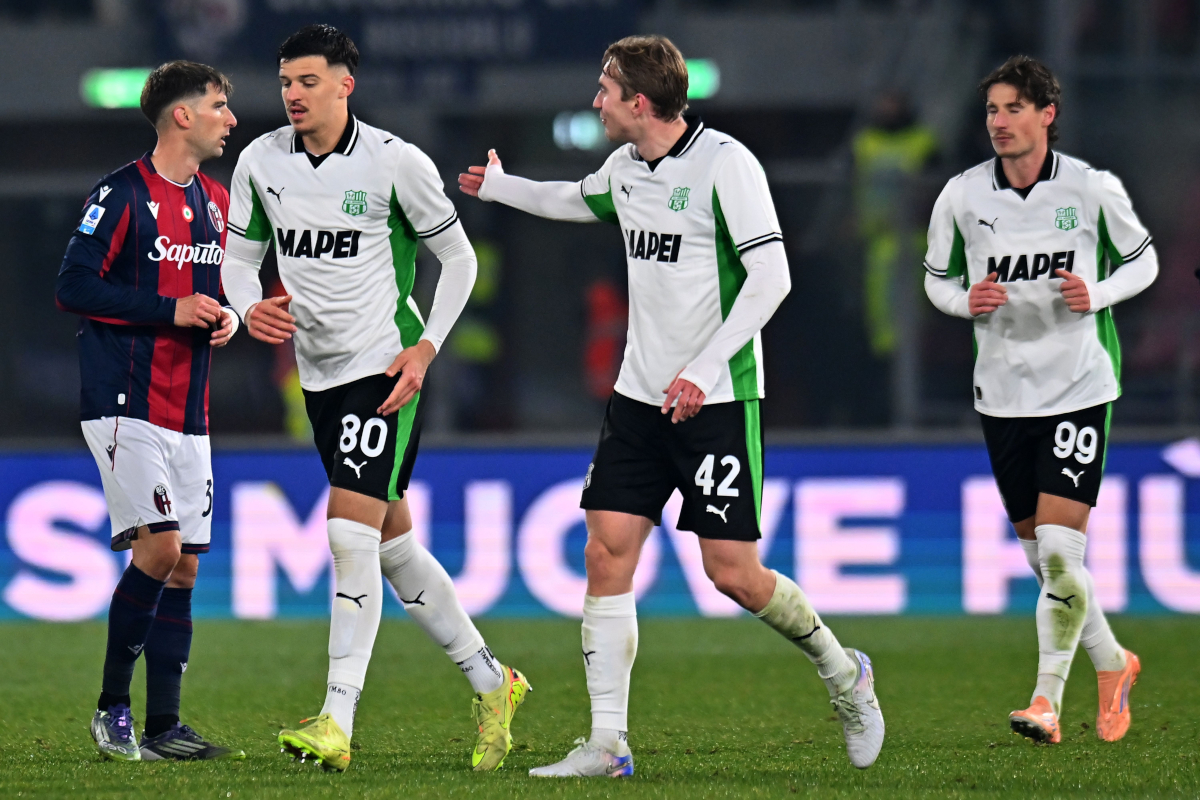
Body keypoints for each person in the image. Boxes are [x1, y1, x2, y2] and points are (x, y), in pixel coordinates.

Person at [459, 34, 885, 776]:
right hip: (638, 397)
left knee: (734, 574)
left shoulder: (727, 165)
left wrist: (705, 367)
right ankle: (607, 744)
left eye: (606, 89)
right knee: (604, 549)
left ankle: (843, 671)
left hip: (717, 398)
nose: (596, 102)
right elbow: (578, 198)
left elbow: (771, 277)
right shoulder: (626, 169)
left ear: (640, 102)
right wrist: (502, 188)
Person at [221, 25, 529, 772]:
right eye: (286, 82)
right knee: (393, 548)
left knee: (347, 536)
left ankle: (336, 718)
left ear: (343, 84)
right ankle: (496, 684)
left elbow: (458, 258)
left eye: (308, 81)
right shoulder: (262, 162)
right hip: (320, 378)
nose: (293, 94)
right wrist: (246, 306)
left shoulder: (395, 163)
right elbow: (239, 258)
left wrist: (427, 350)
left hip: (385, 366)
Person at [923, 55, 1155, 744]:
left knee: (1058, 551)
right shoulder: (963, 196)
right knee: (1047, 561)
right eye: (992, 110)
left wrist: (1100, 292)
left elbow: (1143, 259)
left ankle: (1045, 701)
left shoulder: (1089, 188)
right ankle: (1114, 663)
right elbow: (934, 280)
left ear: (1046, 114)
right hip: (1002, 395)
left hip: (1078, 385)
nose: (999, 121)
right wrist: (967, 301)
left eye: (1013, 108)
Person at [55, 60, 244, 762]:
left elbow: (209, 295)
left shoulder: (218, 202)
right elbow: (73, 285)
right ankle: (112, 711)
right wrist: (171, 309)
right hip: (123, 402)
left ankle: (166, 726)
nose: (230, 117)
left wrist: (227, 318)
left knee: (187, 569)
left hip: (188, 410)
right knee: (159, 551)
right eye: (219, 105)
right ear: (182, 115)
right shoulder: (121, 194)